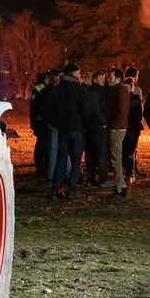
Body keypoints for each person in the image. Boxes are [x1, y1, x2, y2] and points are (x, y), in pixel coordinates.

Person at [49, 63, 87, 200]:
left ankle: (55, 189)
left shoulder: (57, 89)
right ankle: (72, 190)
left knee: (61, 159)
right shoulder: (78, 89)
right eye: (78, 71)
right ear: (73, 73)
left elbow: (53, 109)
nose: (80, 74)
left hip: (62, 129)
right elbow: (84, 109)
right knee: (76, 159)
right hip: (76, 127)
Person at [42, 69, 70, 182]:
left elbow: (49, 107)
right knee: (63, 148)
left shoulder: (54, 90)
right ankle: (67, 171)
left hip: (55, 123)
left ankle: (52, 173)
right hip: (61, 123)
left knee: (54, 149)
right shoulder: (67, 91)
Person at [107, 67, 130, 198]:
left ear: (118, 78)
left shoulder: (119, 90)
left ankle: (119, 189)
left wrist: (112, 123)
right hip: (119, 126)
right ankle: (121, 185)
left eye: (111, 77)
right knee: (116, 157)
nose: (109, 79)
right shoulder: (120, 90)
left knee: (116, 158)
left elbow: (120, 109)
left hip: (117, 127)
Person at [83, 71, 109, 186]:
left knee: (91, 152)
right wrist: (104, 121)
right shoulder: (97, 91)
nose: (103, 80)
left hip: (90, 126)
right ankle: (102, 177)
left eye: (104, 78)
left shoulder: (89, 91)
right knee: (100, 151)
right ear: (95, 80)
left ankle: (91, 176)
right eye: (100, 78)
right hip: (98, 126)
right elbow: (97, 108)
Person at [124, 66, 147, 181]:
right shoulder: (136, 90)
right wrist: (140, 119)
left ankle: (129, 170)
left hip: (124, 123)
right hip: (133, 124)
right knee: (132, 148)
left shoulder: (121, 87)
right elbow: (140, 107)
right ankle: (132, 171)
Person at [122, 76, 143, 185]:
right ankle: (125, 172)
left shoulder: (135, 99)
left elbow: (139, 115)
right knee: (123, 151)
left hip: (132, 129)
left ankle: (130, 173)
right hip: (123, 127)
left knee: (130, 151)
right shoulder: (120, 98)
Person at [30, 72, 49, 177]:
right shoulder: (40, 89)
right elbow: (37, 107)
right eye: (46, 78)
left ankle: (40, 163)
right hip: (41, 121)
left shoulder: (37, 89)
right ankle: (40, 164)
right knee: (42, 143)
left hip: (38, 121)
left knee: (41, 143)